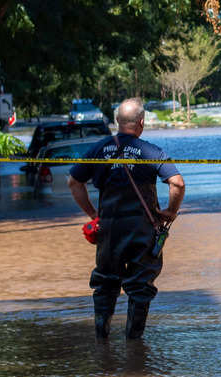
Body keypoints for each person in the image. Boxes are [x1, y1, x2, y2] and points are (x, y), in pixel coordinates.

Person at [68, 98, 185, 340]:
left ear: (117, 122)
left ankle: (102, 340)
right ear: (141, 123)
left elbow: (74, 182)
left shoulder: (98, 149)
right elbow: (177, 183)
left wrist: (93, 214)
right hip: (142, 229)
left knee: (105, 284)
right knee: (140, 287)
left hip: (109, 230)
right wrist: (170, 211)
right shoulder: (151, 151)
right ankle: (134, 345)